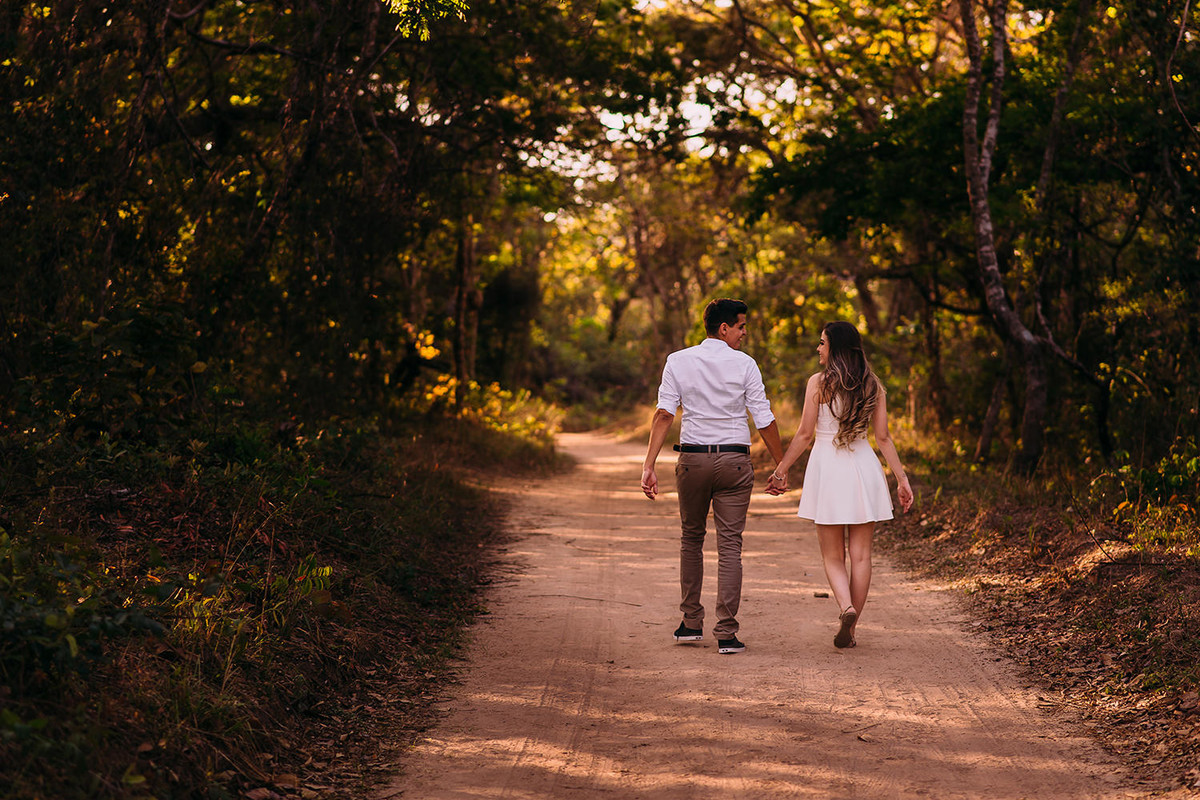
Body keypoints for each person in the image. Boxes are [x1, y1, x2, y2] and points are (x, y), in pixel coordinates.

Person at [641, 298, 785, 655]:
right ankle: (726, 632)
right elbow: (763, 419)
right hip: (735, 463)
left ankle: (691, 624)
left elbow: (663, 414)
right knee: (730, 545)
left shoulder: (678, 360)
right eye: (741, 327)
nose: (744, 333)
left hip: (692, 460)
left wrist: (649, 465)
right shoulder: (746, 364)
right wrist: (781, 467)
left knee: (691, 538)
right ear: (724, 328)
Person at [766, 321, 913, 649]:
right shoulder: (872, 385)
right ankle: (853, 625)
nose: (818, 349)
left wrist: (781, 470)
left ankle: (845, 607)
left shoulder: (818, 383)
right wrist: (902, 480)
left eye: (822, 343)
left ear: (835, 347)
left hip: (829, 469)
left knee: (833, 556)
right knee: (861, 556)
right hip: (863, 467)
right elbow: (884, 438)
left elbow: (805, 434)